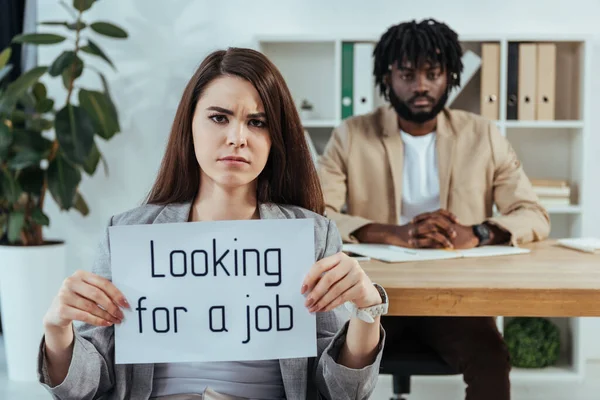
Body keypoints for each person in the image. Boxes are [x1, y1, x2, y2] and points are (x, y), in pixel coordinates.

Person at [38, 47, 388, 400]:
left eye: (257, 122)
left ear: (274, 139)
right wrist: (58, 331)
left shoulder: (312, 237)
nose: (238, 137)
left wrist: (367, 310)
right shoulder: (129, 236)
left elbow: (343, 392)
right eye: (219, 118)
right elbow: (85, 387)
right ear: (190, 125)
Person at [317, 19, 550, 400]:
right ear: (387, 77)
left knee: (491, 357)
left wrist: (476, 233)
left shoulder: (483, 134)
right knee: (330, 361)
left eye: (433, 73)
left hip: (454, 297)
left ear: (450, 76)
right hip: (372, 295)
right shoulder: (352, 133)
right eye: (407, 74)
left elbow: (532, 212)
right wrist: (395, 233)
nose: (421, 86)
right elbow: (317, 214)